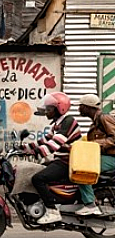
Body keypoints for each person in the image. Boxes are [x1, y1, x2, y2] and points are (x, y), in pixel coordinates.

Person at [28, 92, 83, 224]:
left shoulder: (68, 121)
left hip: (67, 162)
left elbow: (55, 144)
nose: (47, 112)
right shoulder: (58, 123)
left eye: (49, 109)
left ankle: (52, 210)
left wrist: (38, 152)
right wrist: (24, 148)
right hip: (61, 160)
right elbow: (45, 140)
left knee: (38, 178)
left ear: (60, 108)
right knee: (36, 171)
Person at [76, 94, 115, 216]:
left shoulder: (104, 118)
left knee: (83, 169)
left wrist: (94, 144)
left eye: (81, 106)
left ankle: (90, 204)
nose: (79, 109)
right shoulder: (96, 121)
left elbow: (114, 138)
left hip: (112, 158)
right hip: (108, 156)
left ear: (89, 107)